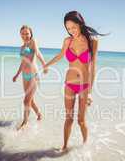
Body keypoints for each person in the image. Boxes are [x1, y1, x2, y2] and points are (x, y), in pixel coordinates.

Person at [44, 11, 107, 151]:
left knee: (81, 121)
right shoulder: (68, 41)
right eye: (68, 28)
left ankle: (85, 146)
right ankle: (64, 147)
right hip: (69, 84)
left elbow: (93, 66)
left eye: (73, 27)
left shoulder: (93, 41)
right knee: (68, 119)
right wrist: (46, 65)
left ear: (80, 24)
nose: (71, 31)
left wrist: (90, 92)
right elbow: (60, 55)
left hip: (84, 85)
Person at [13, 25, 47, 130]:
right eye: (23, 33)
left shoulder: (33, 42)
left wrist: (44, 65)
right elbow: (22, 62)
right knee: (30, 101)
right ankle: (39, 115)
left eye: (27, 33)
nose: (25, 35)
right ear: (20, 35)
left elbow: (37, 53)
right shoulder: (22, 47)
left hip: (33, 75)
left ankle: (25, 122)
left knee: (26, 101)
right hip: (24, 76)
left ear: (31, 34)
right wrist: (17, 74)